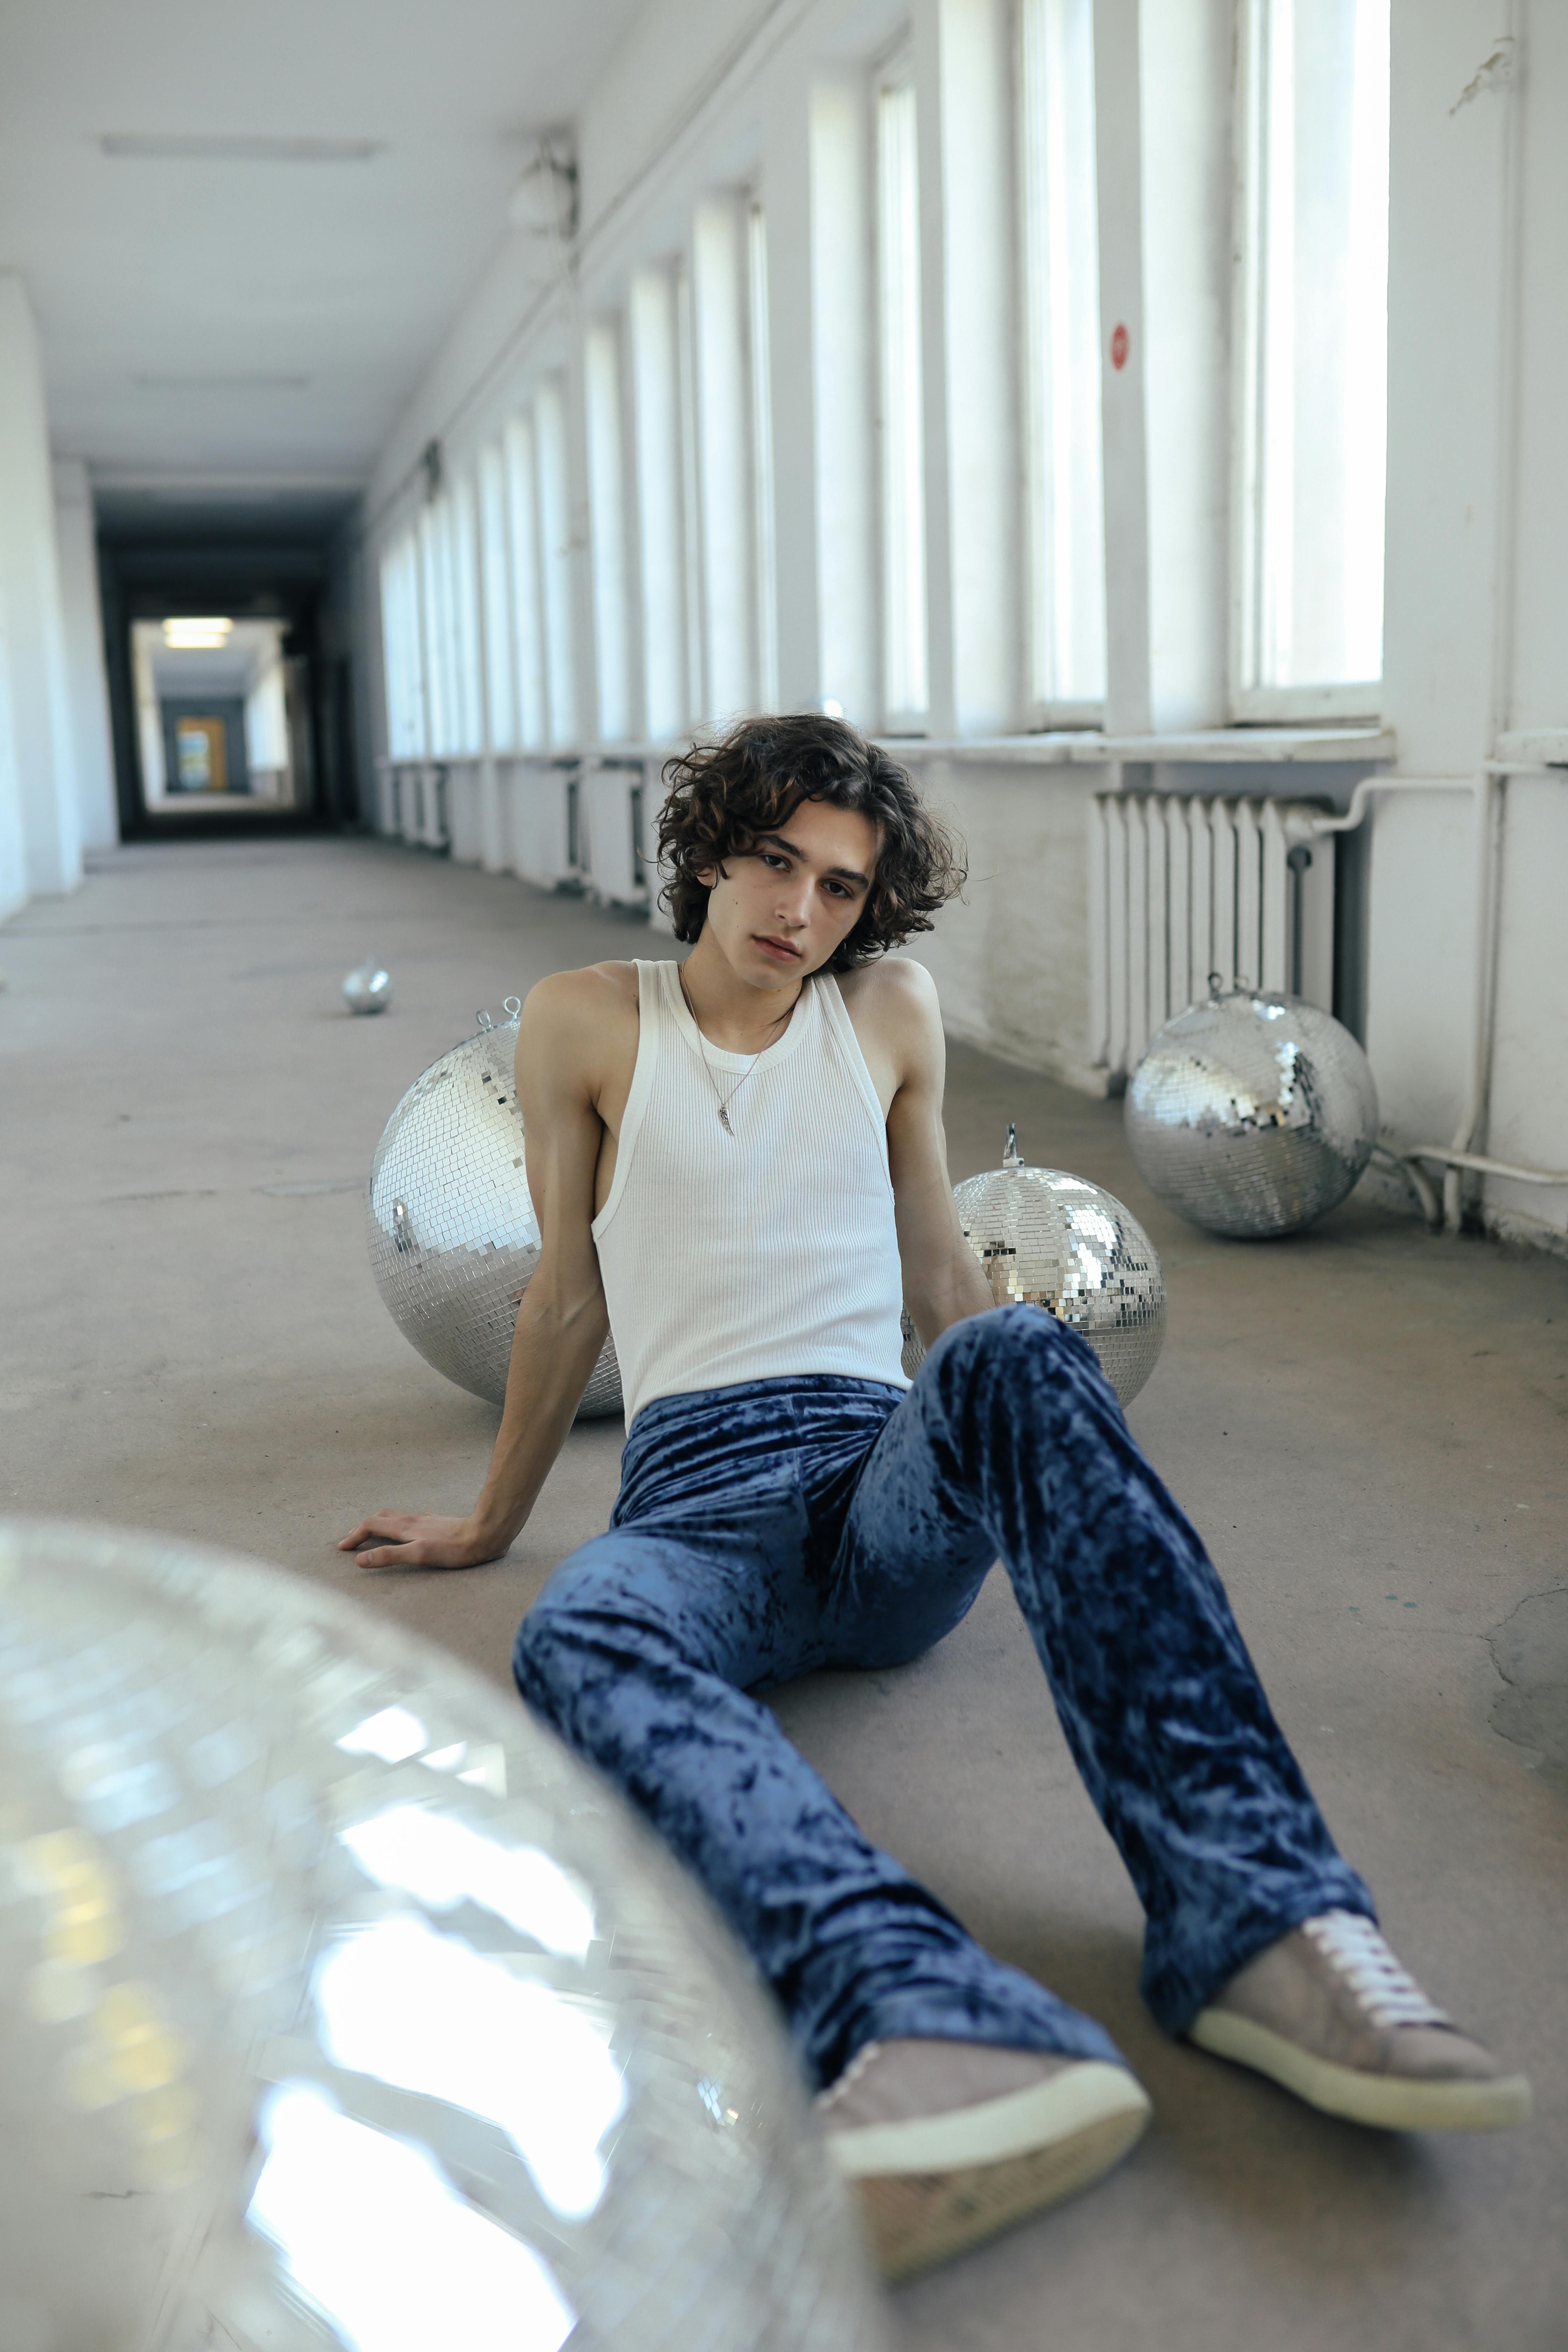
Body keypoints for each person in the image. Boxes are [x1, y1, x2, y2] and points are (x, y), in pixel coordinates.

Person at [341, 714, 1529, 2281]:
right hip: (695, 1510)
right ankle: (920, 2008)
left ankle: (1263, 1923)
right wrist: (492, 1524)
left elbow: (934, 1268)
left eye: (839, 888)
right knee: (572, 1635)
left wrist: (1011, 1415)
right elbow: (564, 1297)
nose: (800, 911)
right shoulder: (582, 1022)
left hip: (875, 1480)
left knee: (1022, 1351)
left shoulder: (889, 1013)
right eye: (775, 862)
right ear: (708, 849)